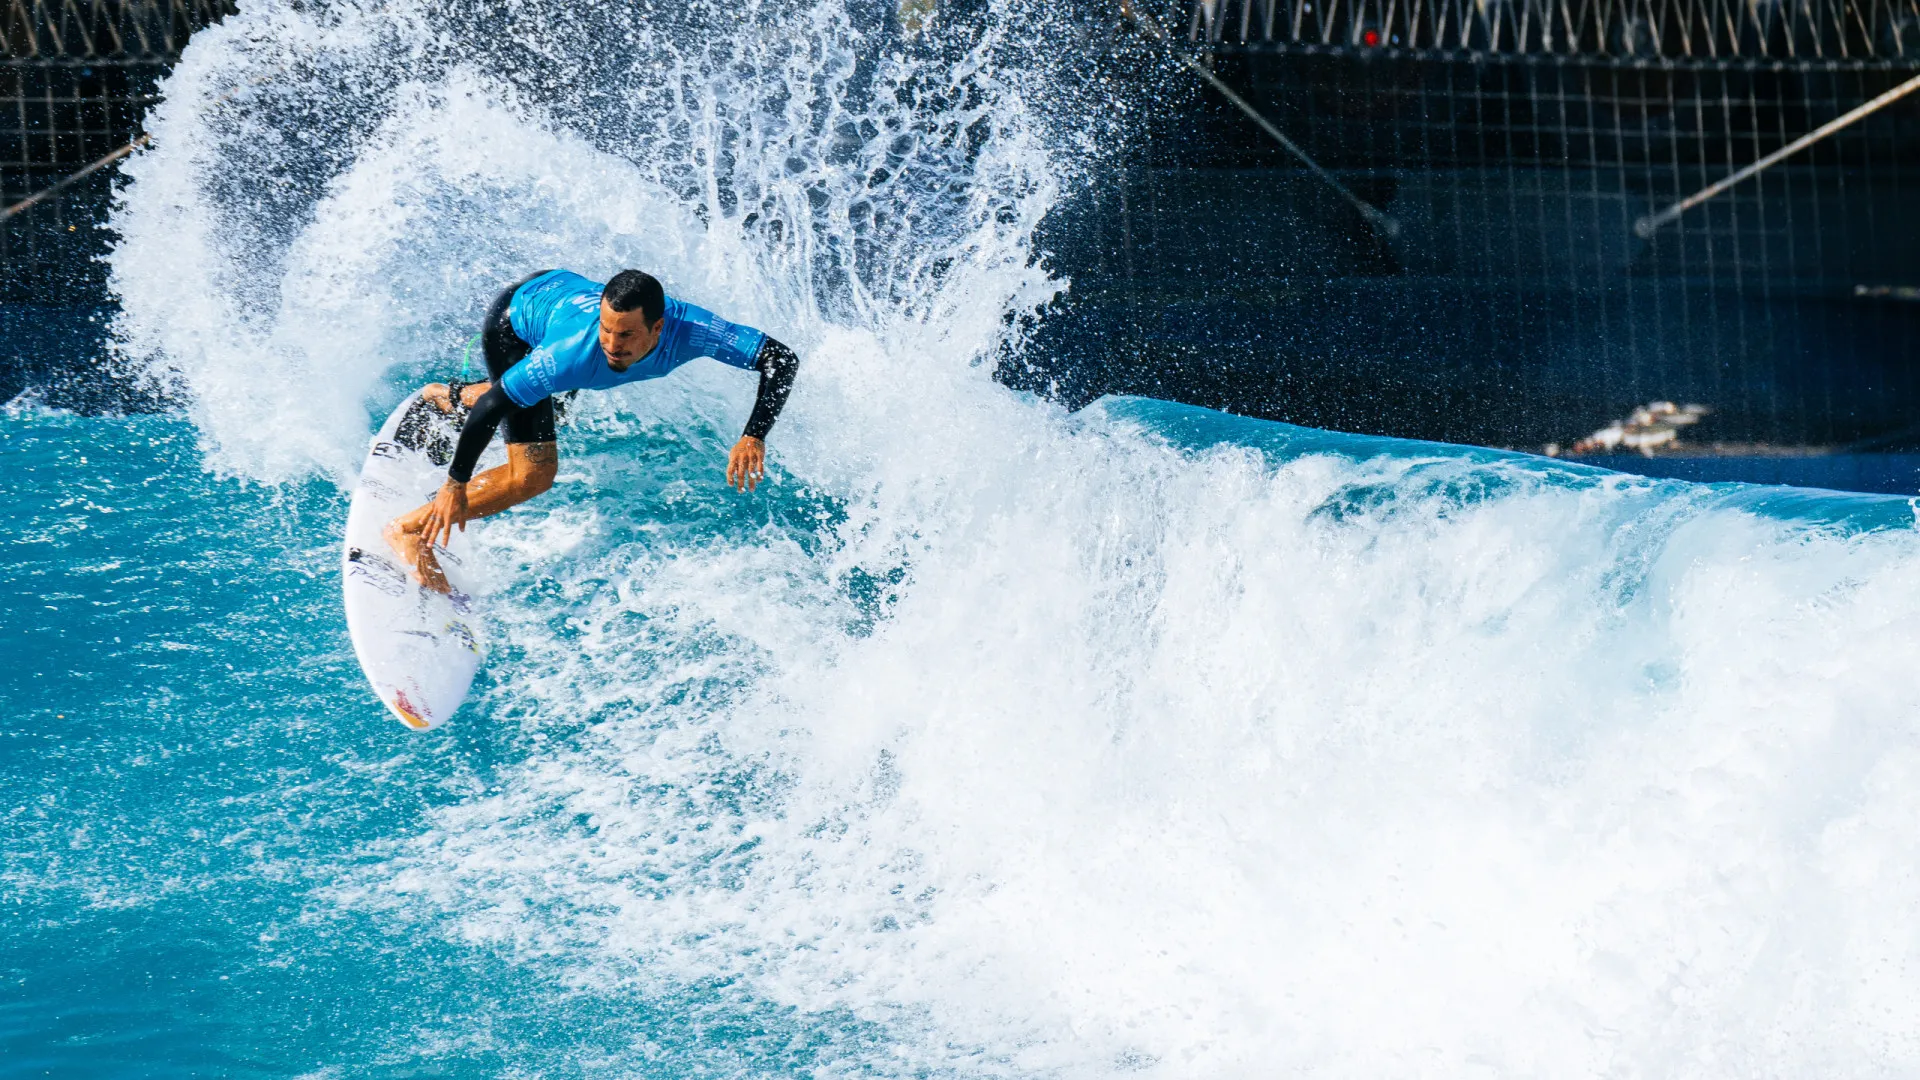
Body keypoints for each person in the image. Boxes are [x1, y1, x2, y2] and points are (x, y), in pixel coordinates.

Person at [384, 268, 800, 592]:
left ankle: (449, 397)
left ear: (658, 328)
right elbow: (494, 409)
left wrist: (753, 435)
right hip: (516, 321)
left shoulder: (695, 331)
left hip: (556, 298)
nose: (613, 344)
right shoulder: (570, 354)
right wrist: (454, 484)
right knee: (532, 474)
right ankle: (408, 530)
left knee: (546, 409)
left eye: (626, 334)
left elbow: (780, 360)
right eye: (607, 329)